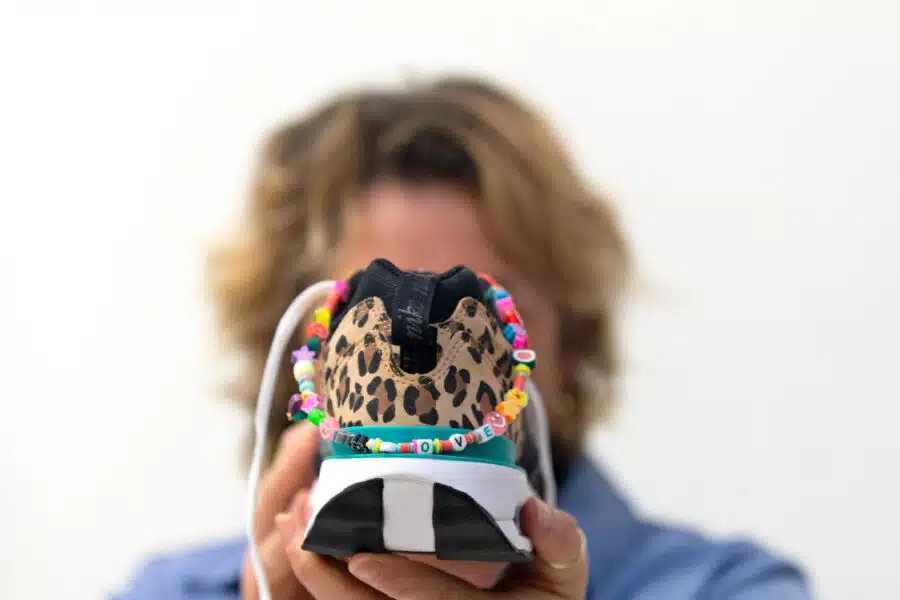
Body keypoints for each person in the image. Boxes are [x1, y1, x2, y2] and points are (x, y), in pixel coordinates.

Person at [114, 76, 810, 599]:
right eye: (376, 316)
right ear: (303, 348)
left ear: (569, 339)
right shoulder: (167, 591)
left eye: (480, 312)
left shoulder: (730, 587)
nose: (423, 353)